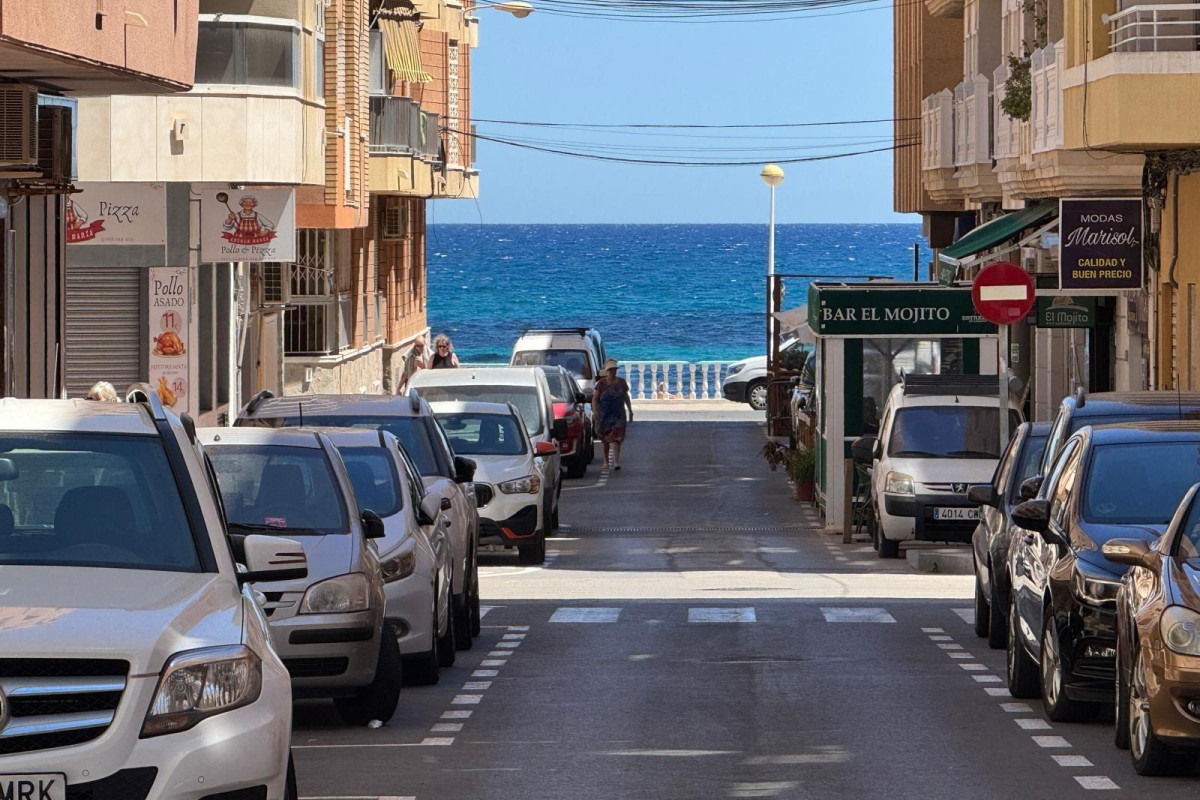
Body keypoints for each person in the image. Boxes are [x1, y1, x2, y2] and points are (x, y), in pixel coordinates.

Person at [593, 359, 633, 470]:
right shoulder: (601, 384)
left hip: (618, 414)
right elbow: (595, 399)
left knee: (617, 438)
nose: (612, 372)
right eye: (610, 370)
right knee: (606, 440)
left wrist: (630, 410)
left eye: (614, 370)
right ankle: (606, 461)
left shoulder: (621, 383)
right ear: (607, 371)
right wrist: (595, 412)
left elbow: (626, 397)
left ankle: (616, 461)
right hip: (605, 415)